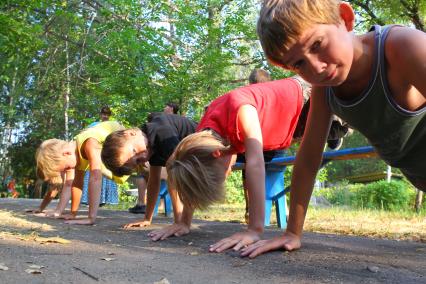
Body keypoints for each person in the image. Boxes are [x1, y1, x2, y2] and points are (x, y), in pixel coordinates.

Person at [239, 0, 426, 258]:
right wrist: (292, 233)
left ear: (345, 18)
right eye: (299, 64)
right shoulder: (325, 91)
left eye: (317, 45)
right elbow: (308, 159)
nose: (316, 68)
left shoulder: (402, 46)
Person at [148, 77, 313, 252]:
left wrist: (254, 230)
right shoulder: (202, 138)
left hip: (306, 98)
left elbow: (255, 163)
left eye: (222, 177)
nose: (226, 176)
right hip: (291, 123)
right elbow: (184, 165)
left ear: (218, 154)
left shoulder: (239, 110)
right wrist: (183, 222)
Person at [101, 112, 197, 229]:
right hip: (195, 156)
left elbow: (177, 178)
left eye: (134, 151)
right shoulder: (150, 147)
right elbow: (153, 182)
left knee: (173, 173)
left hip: (211, 141)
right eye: (137, 161)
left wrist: (179, 222)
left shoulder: (161, 132)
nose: (140, 157)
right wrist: (147, 218)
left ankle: (181, 222)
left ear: (131, 133)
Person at [35, 120, 128, 224]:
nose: (67, 171)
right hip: (113, 151)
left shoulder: (89, 144)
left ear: (66, 153)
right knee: (128, 172)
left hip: (122, 136)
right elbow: (73, 184)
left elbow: (96, 178)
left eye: (65, 168)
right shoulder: (72, 156)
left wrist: (90, 218)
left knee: (140, 168)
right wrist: (66, 213)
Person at [81, 106, 119, 206]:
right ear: (100, 115)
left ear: (109, 115)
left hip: (107, 154)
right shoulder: (94, 125)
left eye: (107, 114)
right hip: (95, 152)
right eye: (103, 114)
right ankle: (89, 199)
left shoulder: (113, 126)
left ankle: (104, 200)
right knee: (93, 174)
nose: (105, 116)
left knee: (106, 174)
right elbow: (84, 134)